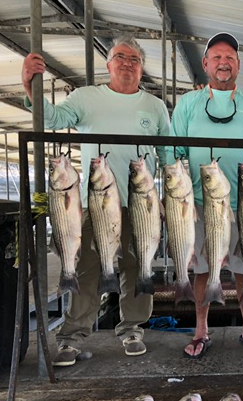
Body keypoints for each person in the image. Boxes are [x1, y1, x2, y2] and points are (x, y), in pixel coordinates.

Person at [21, 35, 171, 366]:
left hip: (140, 202)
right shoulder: (86, 97)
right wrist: (31, 85)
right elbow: (54, 119)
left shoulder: (155, 106)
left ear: (142, 68)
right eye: (120, 57)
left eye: (134, 59)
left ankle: (132, 328)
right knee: (86, 266)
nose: (127, 63)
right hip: (96, 203)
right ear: (108, 63)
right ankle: (72, 336)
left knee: (138, 264)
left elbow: (167, 152)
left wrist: (169, 194)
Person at [168, 32, 243, 358]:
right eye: (216, 57)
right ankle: (201, 330)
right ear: (205, 64)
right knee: (203, 268)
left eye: (229, 57)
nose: (223, 62)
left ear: (239, 65)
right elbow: (175, 154)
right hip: (200, 205)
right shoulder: (187, 104)